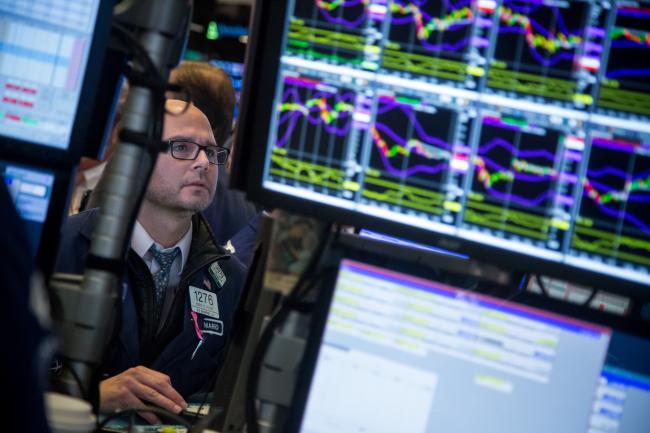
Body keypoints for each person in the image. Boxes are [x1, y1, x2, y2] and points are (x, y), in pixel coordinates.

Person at [54, 99, 247, 424]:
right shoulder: (58, 247)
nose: (203, 163)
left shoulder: (232, 282)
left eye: (211, 152)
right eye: (183, 147)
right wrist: (92, 395)